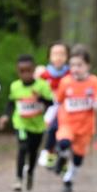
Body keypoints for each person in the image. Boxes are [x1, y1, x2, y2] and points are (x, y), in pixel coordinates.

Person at [0, 55, 55, 191]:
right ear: (18, 72)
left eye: (28, 71)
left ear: (33, 70)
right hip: (21, 123)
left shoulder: (42, 85)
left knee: (33, 151)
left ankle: (30, 173)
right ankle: (18, 179)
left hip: (37, 126)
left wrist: (40, 98)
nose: (25, 74)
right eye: (22, 71)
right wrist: (5, 116)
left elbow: (51, 103)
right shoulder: (15, 86)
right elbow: (11, 103)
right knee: (23, 148)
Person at [53, 45, 97, 192]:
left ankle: (68, 180)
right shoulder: (65, 82)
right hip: (67, 123)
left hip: (85, 127)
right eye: (72, 65)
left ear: (88, 66)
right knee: (64, 143)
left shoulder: (94, 81)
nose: (75, 69)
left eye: (79, 65)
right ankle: (62, 157)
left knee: (78, 159)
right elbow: (58, 100)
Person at [36, 41, 71, 169]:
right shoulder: (44, 75)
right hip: (50, 110)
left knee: (64, 137)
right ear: (49, 56)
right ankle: (49, 155)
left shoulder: (71, 74)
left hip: (68, 111)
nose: (58, 57)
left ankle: (61, 160)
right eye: (55, 54)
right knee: (52, 130)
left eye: (62, 54)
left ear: (67, 57)